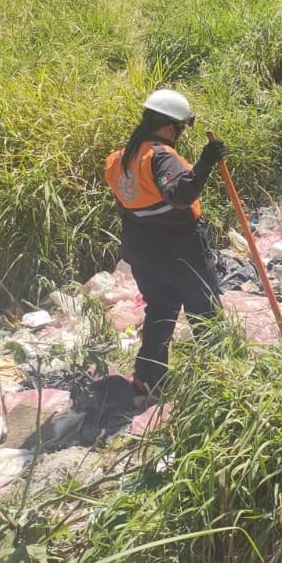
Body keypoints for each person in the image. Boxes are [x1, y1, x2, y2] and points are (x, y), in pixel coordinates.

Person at [103, 89, 228, 397]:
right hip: (180, 248)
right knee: (205, 312)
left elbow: (129, 207)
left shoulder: (119, 159)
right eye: (183, 128)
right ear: (172, 126)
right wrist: (205, 162)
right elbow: (180, 196)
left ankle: (148, 379)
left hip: (143, 251)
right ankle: (223, 377)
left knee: (160, 308)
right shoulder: (160, 155)